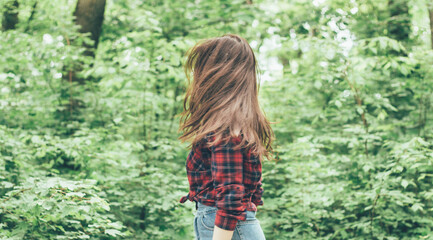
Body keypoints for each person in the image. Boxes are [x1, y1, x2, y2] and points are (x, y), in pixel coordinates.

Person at [178, 34, 273, 240]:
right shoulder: (239, 123)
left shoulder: (226, 128)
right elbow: (252, 188)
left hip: (224, 225)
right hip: (235, 225)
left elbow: (230, 200)